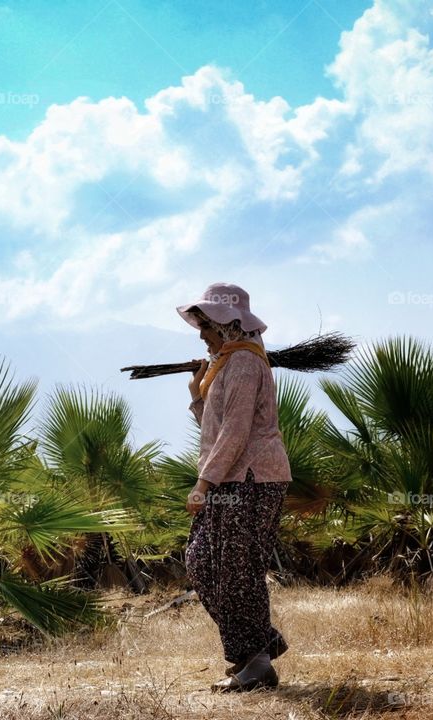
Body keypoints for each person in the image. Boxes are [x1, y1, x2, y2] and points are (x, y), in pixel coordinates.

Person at [175, 282, 292, 693]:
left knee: (237, 572)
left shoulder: (243, 362)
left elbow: (237, 432)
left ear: (227, 324)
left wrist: (203, 483)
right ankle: (259, 647)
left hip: (252, 478)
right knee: (204, 563)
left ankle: (255, 662)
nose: (201, 336)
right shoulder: (228, 364)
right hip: (234, 478)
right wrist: (197, 396)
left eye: (206, 326)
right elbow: (217, 428)